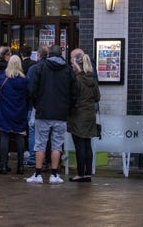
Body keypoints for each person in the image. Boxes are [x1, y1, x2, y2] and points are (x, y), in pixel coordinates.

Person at [26, 45, 78, 183]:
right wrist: (68, 108)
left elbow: (31, 89)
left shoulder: (40, 68)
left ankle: (37, 174)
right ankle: (54, 174)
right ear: (61, 54)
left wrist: (36, 104)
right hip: (60, 113)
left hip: (43, 112)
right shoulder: (68, 70)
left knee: (40, 144)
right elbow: (74, 93)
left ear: (48, 55)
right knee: (57, 144)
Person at [67, 49, 100, 182]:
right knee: (87, 145)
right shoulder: (92, 80)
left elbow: (72, 98)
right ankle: (87, 173)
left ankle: (80, 173)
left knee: (79, 145)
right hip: (90, 115)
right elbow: (97, 97)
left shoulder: (77, 80)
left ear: (77, 66)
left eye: (73, 65)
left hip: (78, 115)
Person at [0, 55, 29, 175]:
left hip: (4, 110)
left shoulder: (2, 78)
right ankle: (20, 166)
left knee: (4, 137)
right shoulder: (24, 80)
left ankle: (3, 165)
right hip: (19, 111)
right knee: (20, 137)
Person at [24, 45, 47, 167]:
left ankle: (34, 158)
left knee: (33, 131)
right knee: (49, 133)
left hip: (35, 105)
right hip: (51, 106)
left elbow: (30, 89)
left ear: (38, 55)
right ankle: (47, 160)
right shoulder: (58, 68)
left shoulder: (34, 68)